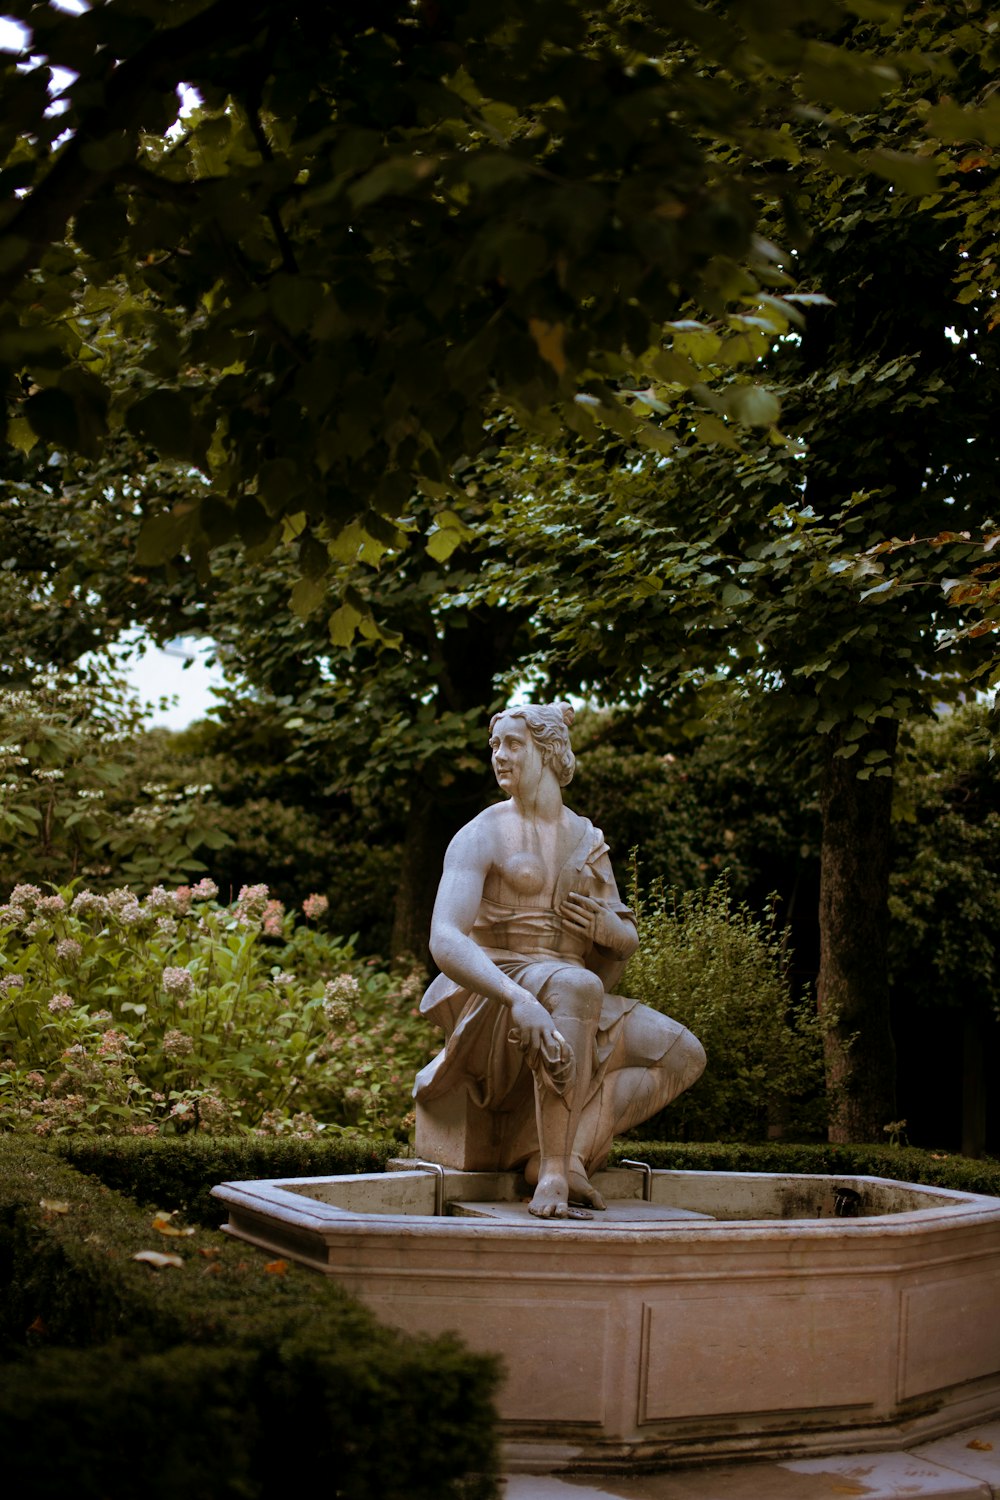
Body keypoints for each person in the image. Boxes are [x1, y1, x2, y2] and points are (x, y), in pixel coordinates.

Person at [413, 702, 706, 1220]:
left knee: (682, 1054)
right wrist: (520, 998)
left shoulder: (588, 841)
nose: (499, 756)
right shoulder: (481, 833)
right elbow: (445, 939)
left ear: (549, 751)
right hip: (499, 988)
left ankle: (562, 1152)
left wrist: (611, 932)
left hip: (572, 993)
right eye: (495, 747)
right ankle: (550, 1175)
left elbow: (622, 937)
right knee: (576, 985)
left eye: (513, 745)